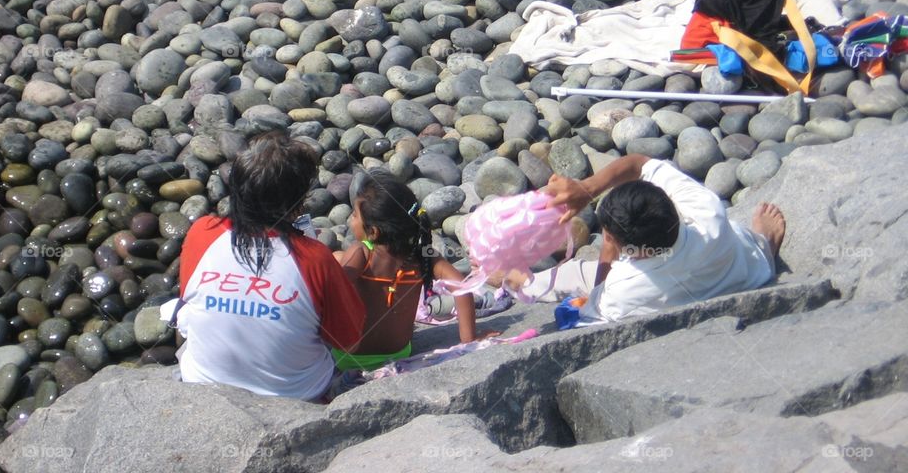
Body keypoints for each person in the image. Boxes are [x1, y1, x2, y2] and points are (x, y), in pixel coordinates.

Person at [174, 132, 365, 400]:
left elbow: (188, 298)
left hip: (204, 386)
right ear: (298, 203)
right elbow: (350, 344)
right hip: (295, 396)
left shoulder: (203, 233)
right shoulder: (315, 258)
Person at [504, 153, 786, 323]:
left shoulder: (624, 287)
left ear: (625, 248)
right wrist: (586, 188)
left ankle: (517, 281)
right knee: (746, 245)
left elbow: (592, 308)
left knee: (575, 275)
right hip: (745, 269)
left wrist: (607, 255)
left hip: (659, 291)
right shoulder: (706, 211)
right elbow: (640, 163)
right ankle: (764, 245)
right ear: (668, 202)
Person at [333, 169, 491, 371]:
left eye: (354, 215)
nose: (350, 220)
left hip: (349, 358)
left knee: (337, 258)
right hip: (399, 353)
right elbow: (462, 287)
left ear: (373, 232)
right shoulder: (423, 255)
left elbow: (331, 294)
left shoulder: (361, 252)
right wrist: (469, 340)